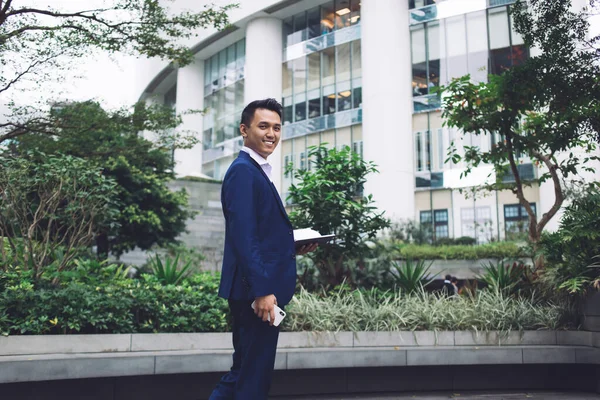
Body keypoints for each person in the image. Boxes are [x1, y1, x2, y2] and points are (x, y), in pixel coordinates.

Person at [209, 98, 317, 400]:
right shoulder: (244, 171)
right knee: (250, 378)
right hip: (254, 294)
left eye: (277, 127)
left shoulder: (257, 170)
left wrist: (291, 247)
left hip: (256, 288)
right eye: (263, 126)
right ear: (244, 130)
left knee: (244, 372)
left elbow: (258, 234)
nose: (272, 134)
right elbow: (244, 238)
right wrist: (262, 291)